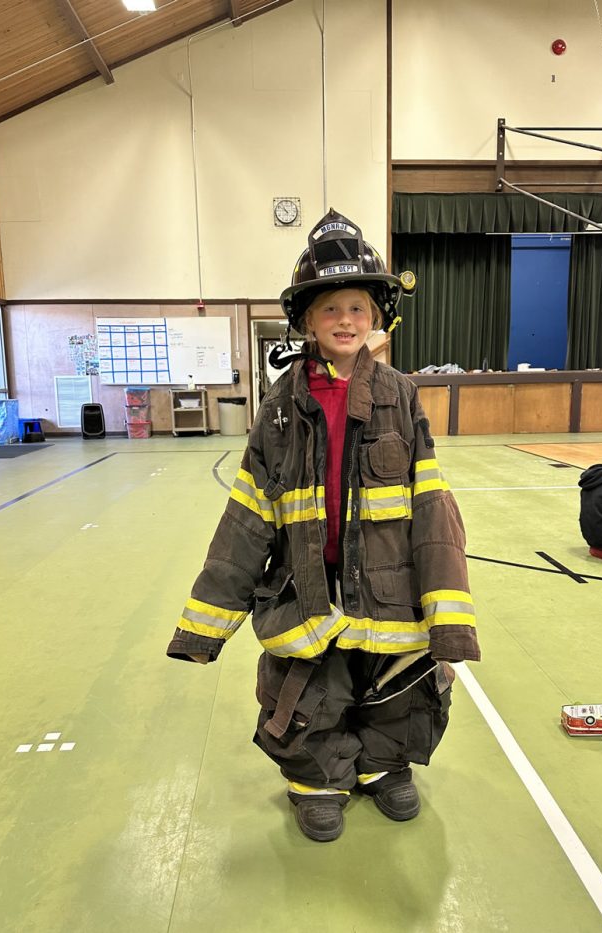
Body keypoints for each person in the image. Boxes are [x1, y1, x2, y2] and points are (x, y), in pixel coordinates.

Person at [166, 208, 480, 842]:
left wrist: (448, 614)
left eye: (358, 307)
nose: (345, 320)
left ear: (377, 317)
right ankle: (318, 783)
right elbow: (247, 516)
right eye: (330, 308)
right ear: (306, 320)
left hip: (390, 587)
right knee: (311, 691)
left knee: (396, 684)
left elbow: (431, 504)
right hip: (306, 589)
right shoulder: (280, 407)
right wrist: (205, 624)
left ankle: (385, 767)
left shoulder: (400, 395)